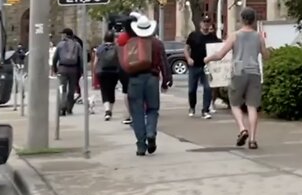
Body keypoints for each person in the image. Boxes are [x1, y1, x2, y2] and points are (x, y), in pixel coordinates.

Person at [205, 7, 267, 150]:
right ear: (253, 20)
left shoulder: (235, 35)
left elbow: (220, 55)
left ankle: (242, 128)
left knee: (235, 103)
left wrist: (208, 58)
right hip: (254, 71)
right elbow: (266, 55)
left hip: (239, 69)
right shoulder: (258, 36)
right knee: (252, 107)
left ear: (241, 19)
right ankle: (252, 139)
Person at [120, 12, 172, 156]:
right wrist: (167, 80)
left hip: (134, 79)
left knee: (137, 112)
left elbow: (124, 63)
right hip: (152, 78)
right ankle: (151, 133)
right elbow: (163, 62)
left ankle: (141, 145)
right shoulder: (156, 43)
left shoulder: (131, 43)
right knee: (152, 109)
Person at [184, 15, 221, 119]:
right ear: (200, 23)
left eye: (208, 22)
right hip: (194, 66)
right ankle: (192, 107)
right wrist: (188, 58)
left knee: (208, 88)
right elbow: (186, 48)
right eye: (204, 22)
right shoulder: (193, 35)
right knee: (192, 89)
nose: (206, 24)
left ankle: (205, 110)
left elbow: (220, 47)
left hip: (207, 66)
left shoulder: (212, 37)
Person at [50, 28, 83, 116]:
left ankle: (62, 107)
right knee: (71, 90)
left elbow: (55, 58)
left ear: (65, 35)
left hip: (62, 68)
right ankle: (69, 108)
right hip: (74, 69)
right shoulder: (77, 45)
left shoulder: (60, 44)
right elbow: (81, 59)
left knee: (62, 89)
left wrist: (55, 68)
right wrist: (81, 70)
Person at [91, 32, 121, 121]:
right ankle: (110, 110)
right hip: (114, 72)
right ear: (113, 38)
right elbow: (120, 59)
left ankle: (107, 110)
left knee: (104, 91)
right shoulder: (116, 48)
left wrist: (94, 71)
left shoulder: (100, 48)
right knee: (111, 90)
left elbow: (95, 61)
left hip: (102, 72)